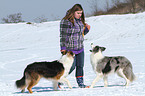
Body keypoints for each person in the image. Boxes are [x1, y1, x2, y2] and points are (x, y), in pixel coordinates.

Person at [59, 4, 90, 88]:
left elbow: (81, 34)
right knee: (70, 67)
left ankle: (81, 83)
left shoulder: (80, 21)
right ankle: (60, 80)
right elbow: (63, 35)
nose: (80, 15)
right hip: (70, 49)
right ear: (73, 12)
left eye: (81, 13)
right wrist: (63, 48)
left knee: (80, 66)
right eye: (78, 13)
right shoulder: (66, 21)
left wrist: (86, 29)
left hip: (80, 47)